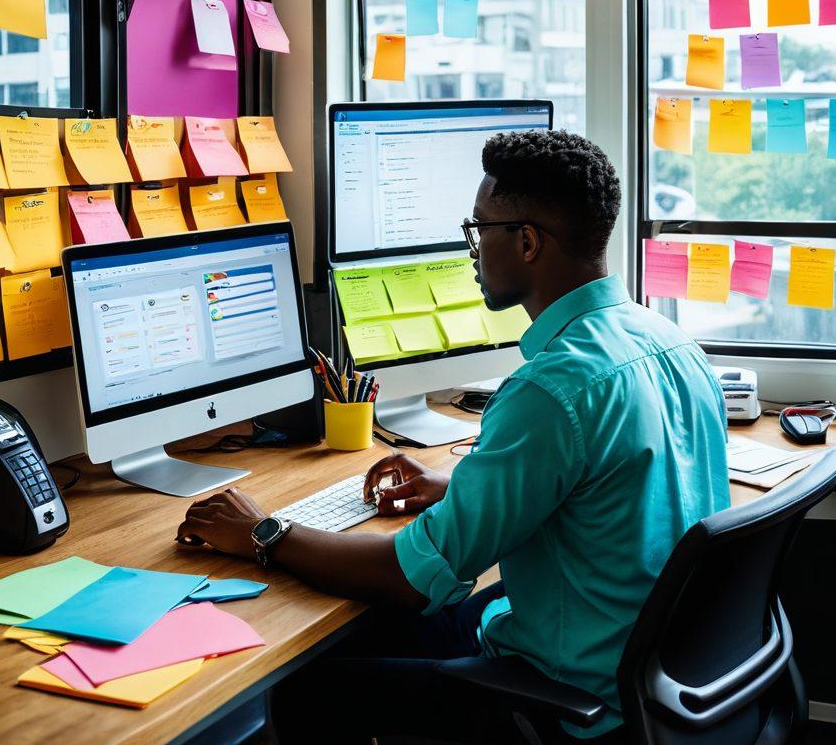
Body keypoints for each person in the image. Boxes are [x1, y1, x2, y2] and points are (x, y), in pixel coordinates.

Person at [177, 131, 730, 743]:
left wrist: (264, 533)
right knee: (374, 631)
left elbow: (407, 580)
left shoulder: (550, 391)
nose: (470, 250)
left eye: (478, 229)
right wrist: (458, 486)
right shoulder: (671, 340)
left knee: (307, 681)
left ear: (526, 242)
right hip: (667, 682)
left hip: (581, 704)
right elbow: (609, 489)